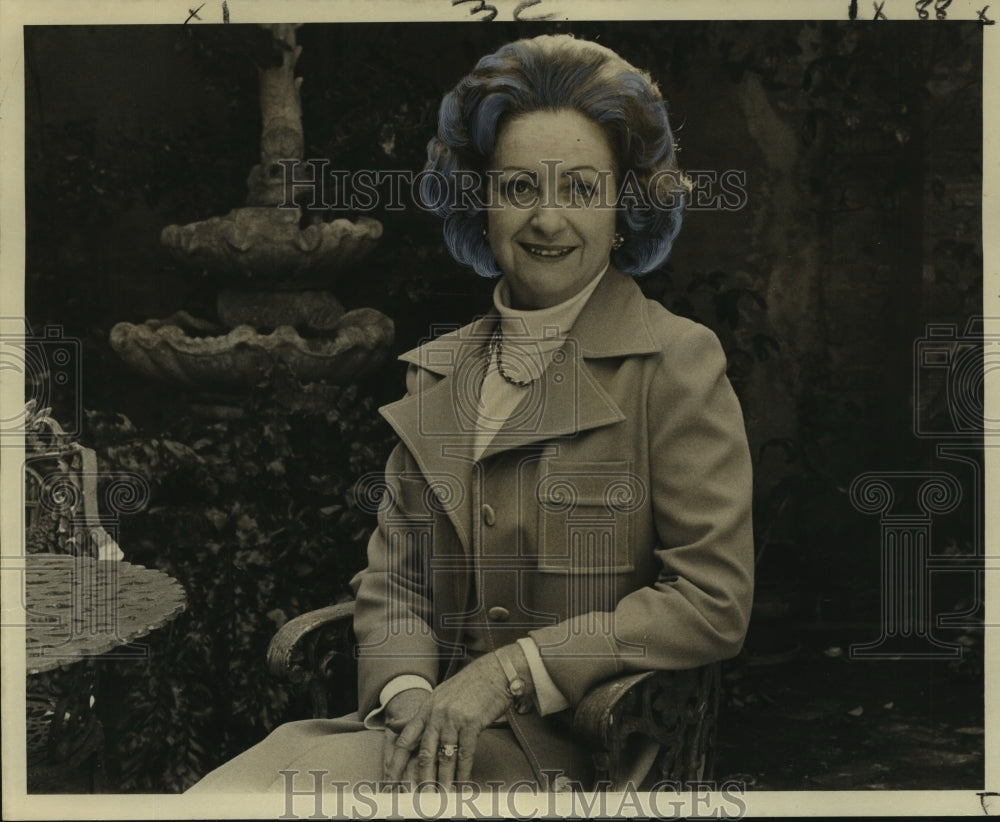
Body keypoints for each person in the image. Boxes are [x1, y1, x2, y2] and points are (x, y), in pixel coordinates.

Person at [188, 32, 753, 795]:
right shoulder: (443, 371)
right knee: (217, 800)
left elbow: (710, 599)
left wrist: (511, 673)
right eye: (520, 188)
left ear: (623, 208)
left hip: (568, 756)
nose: (547, 220)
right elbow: (396, 583)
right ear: (480, 204)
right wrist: (409, 697)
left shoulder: (676, 365)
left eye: (581, 190)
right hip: (409, 743)